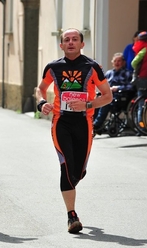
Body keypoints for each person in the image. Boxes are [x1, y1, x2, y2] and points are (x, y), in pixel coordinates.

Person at [35, 28, 112, 234]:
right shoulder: (52, 67)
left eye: (74, 39)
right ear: (61, 45)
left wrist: (87, 105)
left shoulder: (92, 67)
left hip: (84, 124)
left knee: (78, 171)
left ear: (81, 44)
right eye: (66, 40)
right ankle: (72, 216)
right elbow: (40, 89)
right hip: (61, 122)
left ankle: (75, 177)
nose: (70, 42)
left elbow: (107, 96)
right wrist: (42, 102)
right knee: (66, 166)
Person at [93, 53, 133, 133]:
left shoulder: (127, 73)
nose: (117, 63)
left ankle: (96, 125)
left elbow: (131, 87)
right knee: (95, 102)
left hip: (120, 98)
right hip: (108, 95)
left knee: (105, 103)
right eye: (115, 61)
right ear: (112, 62)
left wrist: (117, 88)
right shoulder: (109, 73)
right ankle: (93, 124)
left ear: (123, 62)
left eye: (119, 61)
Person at [131, 32, 147, 129]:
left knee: (141, 102)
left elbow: (134, 62)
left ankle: (140, 127)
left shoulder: (145, 49)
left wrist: (140, 68)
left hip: (144, 78)